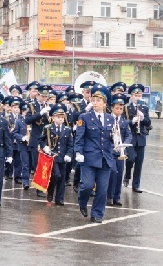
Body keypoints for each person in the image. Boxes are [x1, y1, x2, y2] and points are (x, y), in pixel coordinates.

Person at [75, 84, 114, 223]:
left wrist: (118, 145)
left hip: (105, 159)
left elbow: (112, 138)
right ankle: (82, 201)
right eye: (94, 100)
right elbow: (79, 137)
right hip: (89, 158)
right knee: (87, 185)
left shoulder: (111, 118)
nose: (95, 103)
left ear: (104, 103)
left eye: (98, 100)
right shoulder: (84, 117)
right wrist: (78, 152)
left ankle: (97, 213)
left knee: (102, 190)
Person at [38, 103, 73, 206]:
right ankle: (50, 188)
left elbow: (71, 144)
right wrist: (45, 147)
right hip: (51, 157)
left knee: (62, 178)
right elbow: (41, 140)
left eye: (62, 117)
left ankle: (59, 199)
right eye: (58, 117)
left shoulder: (67, 130)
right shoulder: (48, 128)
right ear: (53, 117)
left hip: (62, 157)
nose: (60, 119)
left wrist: (69, 155)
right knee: (56, 175)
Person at [123, 84, 151, 193]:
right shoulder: (126, 108)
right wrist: (132, 121)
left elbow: (148, 123)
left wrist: (143, 118)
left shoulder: (144, 108)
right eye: (135, 95)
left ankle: (136, 185)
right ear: (131, 96)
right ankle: (127, 173)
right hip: (130, 137)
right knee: (130, 159)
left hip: (141, 138)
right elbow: (123, 122)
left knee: (139, 163)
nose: (137, 97)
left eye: (139, 94)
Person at [26, 84, 53, 198]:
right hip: (36, 138)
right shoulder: (32, 106)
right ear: (38, 95)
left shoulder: (49, 106)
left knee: (46, 164)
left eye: (46, 96)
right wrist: (40, 113)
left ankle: (45, 186)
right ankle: (38, 188)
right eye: (42, 96)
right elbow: (28, 120)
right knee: (37, 164)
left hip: (46, 139)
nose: (44, 98)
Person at [107, 93, 132, 206]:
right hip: (110, 151)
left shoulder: (124, 121)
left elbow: (128, 135)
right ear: (112, 108)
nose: (119, 111)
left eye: (121, 108)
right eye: (117, 108)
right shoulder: (107, 119)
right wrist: (113, 146)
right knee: (112, 173)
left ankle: (117, 197)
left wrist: (125, 144)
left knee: (119, 173)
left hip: (121, 151)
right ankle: (109, 196)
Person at [12, 101, 30, 189]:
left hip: (32, 145)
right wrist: (22, 138)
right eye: (24, 111)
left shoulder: (33, 121)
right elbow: (14, 133)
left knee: (34, 164)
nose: (25, 112)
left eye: (27, 111)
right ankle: (25, 182)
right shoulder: (19, 122)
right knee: (25, 164)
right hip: (23, 145)